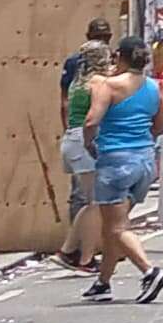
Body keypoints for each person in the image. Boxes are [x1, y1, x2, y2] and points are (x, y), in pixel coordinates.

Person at [77, 43, 163, 304]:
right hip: (145, 162)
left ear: (119, 57)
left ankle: (150, 271)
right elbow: (162, 125)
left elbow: (91, 121)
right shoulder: (154, 87)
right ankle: (103, 282)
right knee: (111, 228)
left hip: (115, 162)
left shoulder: (109, 86)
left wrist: (88, 144)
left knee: (118, 228)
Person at [55, 17, 111, 270]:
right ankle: (82, 257)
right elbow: (92, 119)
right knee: (95, 202)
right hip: (84, 140)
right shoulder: (98, 83)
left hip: (72, 138)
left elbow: (66, 106)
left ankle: (71, 251)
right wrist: (91, 143)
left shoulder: (79, 81)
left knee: (91, 201)